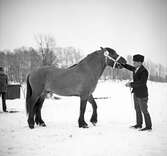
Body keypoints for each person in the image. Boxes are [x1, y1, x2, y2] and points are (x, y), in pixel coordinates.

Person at [121, 54, 152, 131]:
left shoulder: (144, 71)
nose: (133, 63)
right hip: (136, 93)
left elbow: (142, 83)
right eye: (133, 61)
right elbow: (129, 67)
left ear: (140, 62)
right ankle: (139, 124)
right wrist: (122, 64)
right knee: (137, 109)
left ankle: (148, 126)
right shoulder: (136, 69)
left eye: (135, 62)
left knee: (144, 110)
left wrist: (130, 84)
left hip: (142, 94)